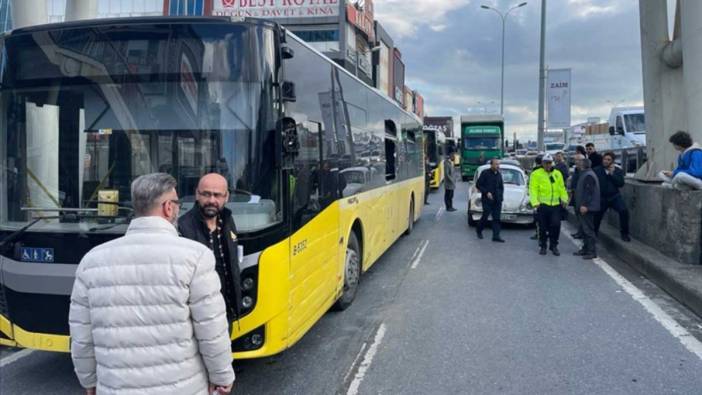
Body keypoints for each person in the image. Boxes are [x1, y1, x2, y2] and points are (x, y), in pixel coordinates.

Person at [69, 173, 235, 395]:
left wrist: (88, 381)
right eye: (176, 203)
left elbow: (82, 336)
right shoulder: (196, 257)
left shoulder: (91, 261)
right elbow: (211, 329)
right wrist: (222, 376)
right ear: (168, 207)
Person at [179, 173, 243, 325]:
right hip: (198, 317)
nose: (211, 201)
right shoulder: (182, 227)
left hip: (226, 312)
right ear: (197, 194)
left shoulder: (228, 220)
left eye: (217, 195)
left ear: (226, 197)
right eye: (206, 194)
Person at [529, 154, 569, 256]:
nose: (548, 165)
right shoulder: (536, 174)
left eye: (550, 163)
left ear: (552, 163)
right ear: (542, 163)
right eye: (546, 163)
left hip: (555, 205)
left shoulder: (557, 174)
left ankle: (554, 245)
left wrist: (564, 199)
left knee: (556, 225)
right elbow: (533, 189)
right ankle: (543, 246)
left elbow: (561, 188)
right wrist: (535, 202)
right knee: (542, 227)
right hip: (542, 205)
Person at [594, 152, 631, 242]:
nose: (606, 161)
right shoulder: (597, 170)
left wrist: (612, 174)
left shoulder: (617, 170)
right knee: (597, 216)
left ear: (612, 161)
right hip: (602, 197)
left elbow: (620, 183)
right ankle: (594, 234)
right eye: (604, 159)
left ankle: (624, 234)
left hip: (614, 196)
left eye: (608, 160)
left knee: (623, 211)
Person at [573, 158, 600, 259]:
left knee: (588, 230)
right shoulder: (585, 174)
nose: (577, 164)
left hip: (587, 208)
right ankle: (586, 248)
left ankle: (591, 251)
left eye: (579, 163)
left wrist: (584, 205)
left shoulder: (588, 175)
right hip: (584, 207)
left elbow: (589, 192)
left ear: (583, 165)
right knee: (584, 229)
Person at [476, 158, 505, 242]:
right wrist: (486, 192)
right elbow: (478, 185)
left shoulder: (499, 174)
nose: (497, 166)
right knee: (485, 216)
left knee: (496, 218)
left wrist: (501, 198)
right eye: (496, 164)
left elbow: (501, 187)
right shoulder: (485, 173)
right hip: (487, 199)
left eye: (498, 164)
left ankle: (496, 236)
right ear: (491, 165)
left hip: (497, 200)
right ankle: (479, 230)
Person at [569, 153, 586, 239]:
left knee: (583, 217)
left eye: (578, 160)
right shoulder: (576, 170)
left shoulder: (585, 171)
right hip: (575, 195)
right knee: (578, 216)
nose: (576, 162)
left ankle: (582, 233)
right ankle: (580, 232)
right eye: (575, 160)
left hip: (582, 198)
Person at [529, 154, 543, 241]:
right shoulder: (548, 170)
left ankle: (539, 234)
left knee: (538, 218)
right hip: (547, 198)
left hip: (537, 197)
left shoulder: (535, 171)